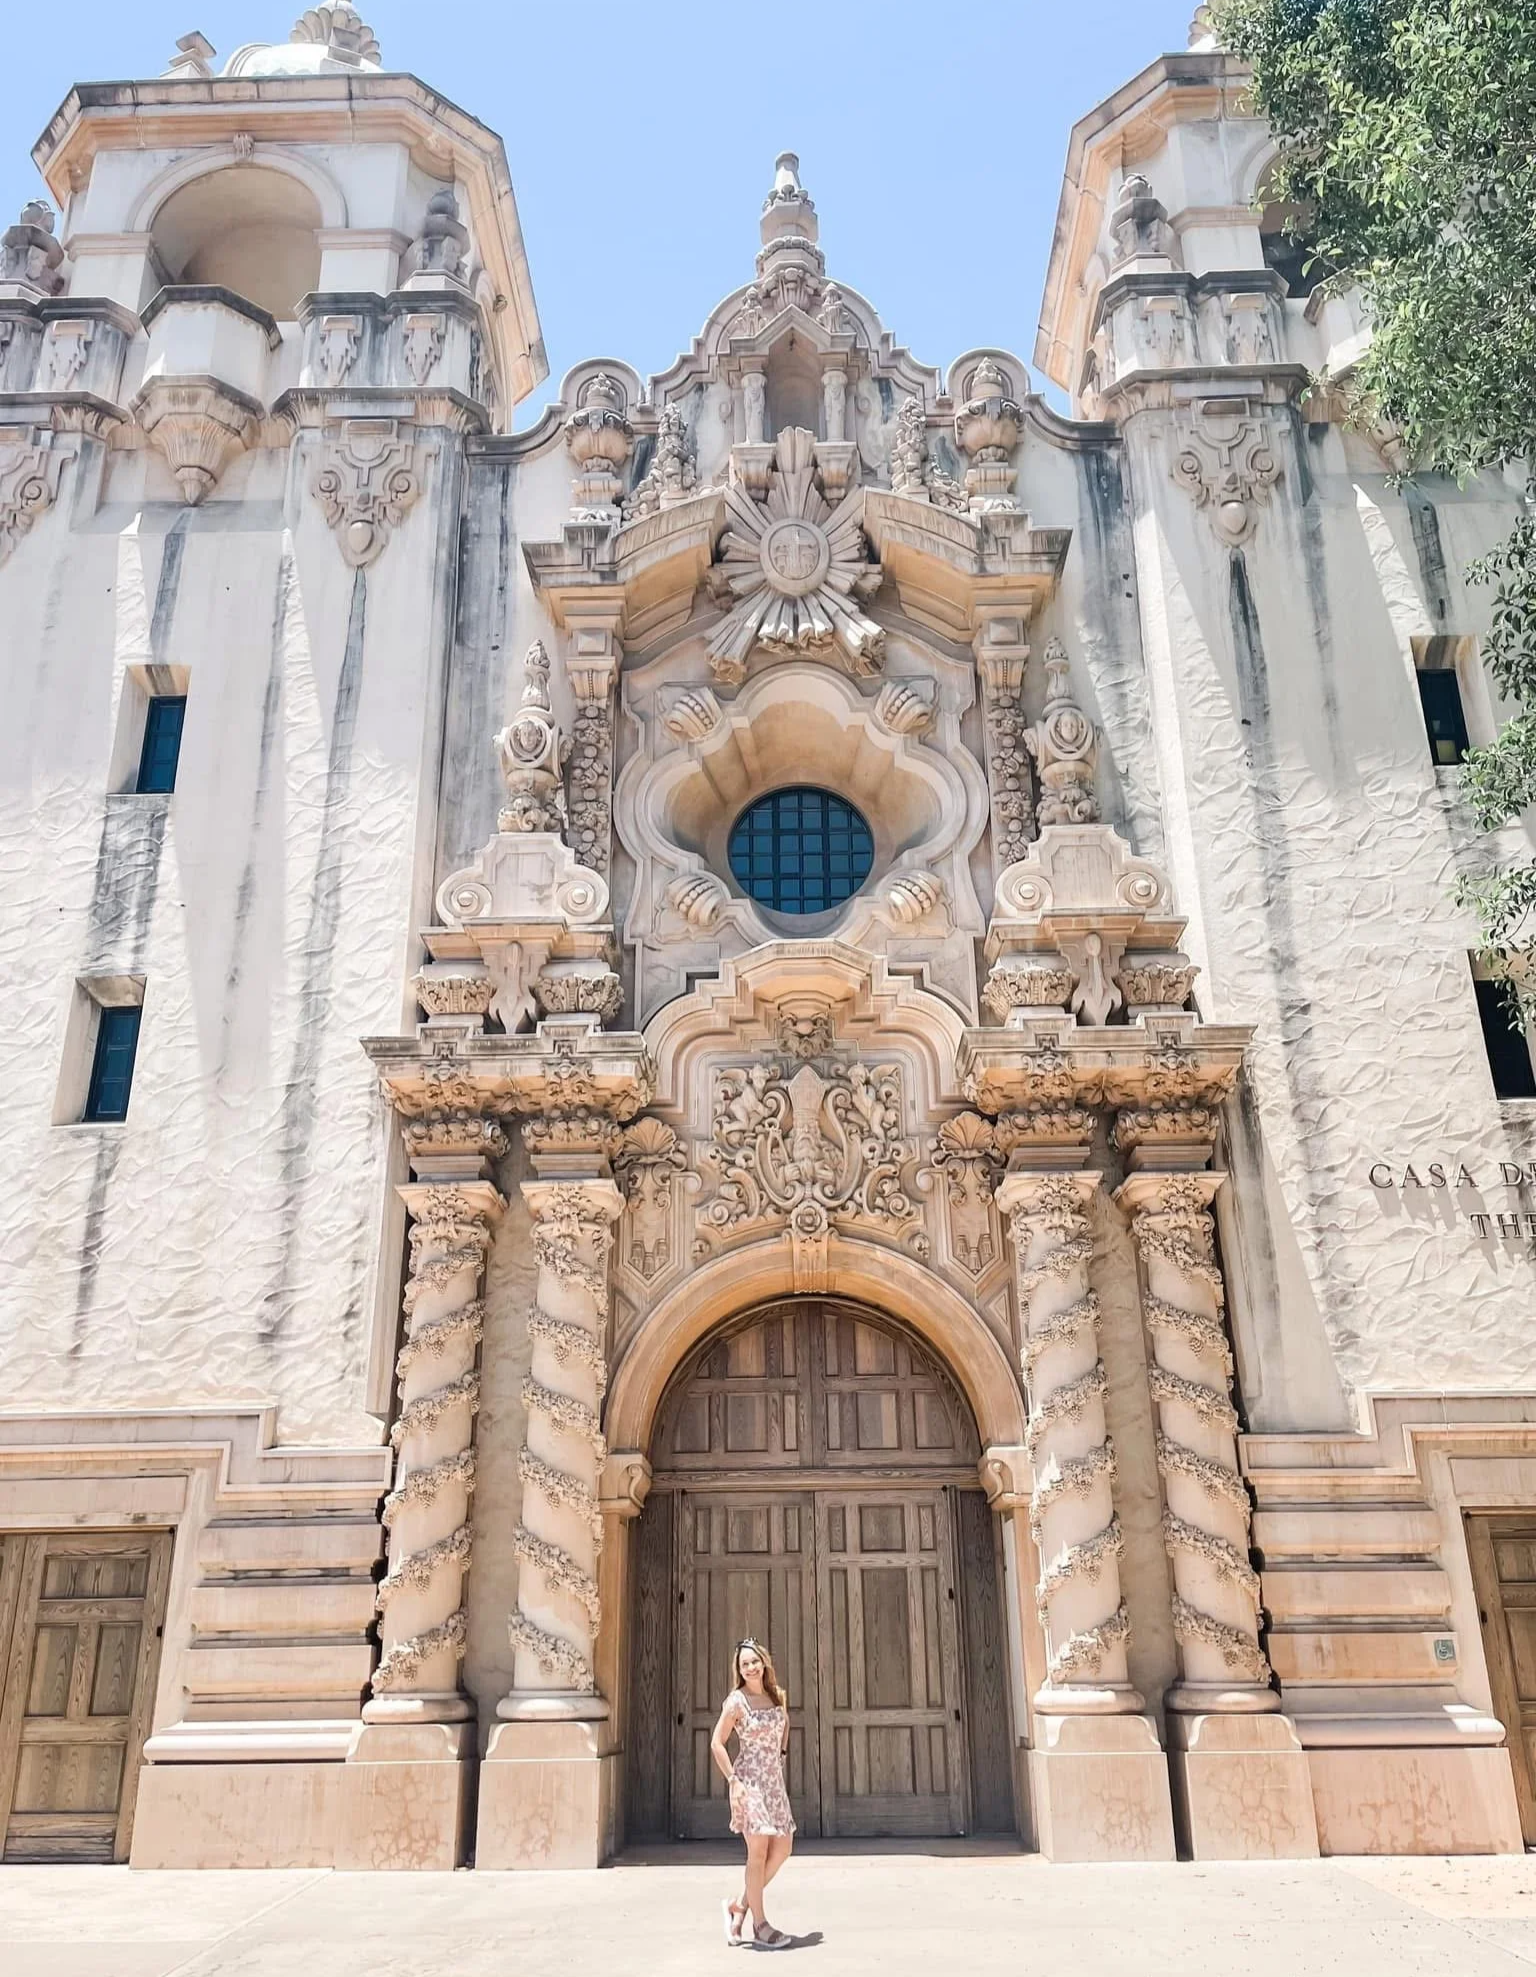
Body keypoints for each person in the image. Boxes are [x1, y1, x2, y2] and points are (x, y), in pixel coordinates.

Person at [710, 1637, 795, 1949]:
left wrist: (781, 1757)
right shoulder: (736, 1701)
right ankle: (760, 1926)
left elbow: (785, 1725)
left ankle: (740, 1904)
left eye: (754, 1661)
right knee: (757, 1852)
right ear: (739, 1669)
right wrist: (733, 1780)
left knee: (783, 1848)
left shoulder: (776, 1696)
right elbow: (716, 1742)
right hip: (749, 1782)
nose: (749, 1668)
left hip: (774, 1782)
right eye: (744, 1664)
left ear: (763, 1662)